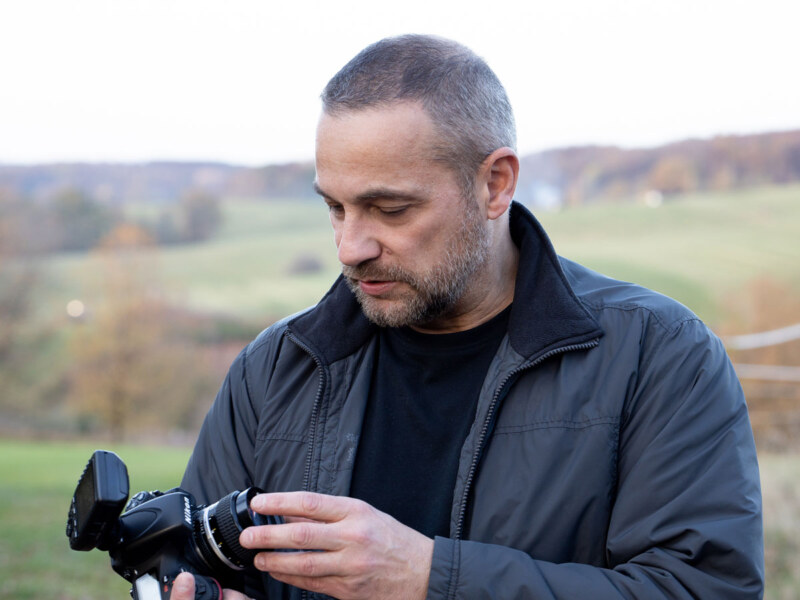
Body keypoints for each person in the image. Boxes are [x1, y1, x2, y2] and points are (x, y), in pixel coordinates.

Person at [172, 35, 764, 599]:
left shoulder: (659, 355)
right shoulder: (277, 367)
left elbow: (704, 589)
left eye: (390, 209)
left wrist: (432, 580)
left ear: (495, 184)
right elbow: (191, 561)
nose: (351, 247)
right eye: (335, 207)